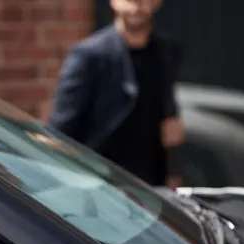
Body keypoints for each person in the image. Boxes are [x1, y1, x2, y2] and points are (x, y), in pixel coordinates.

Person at [49, 0, 184, 187]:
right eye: (130, 0)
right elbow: (62, 126)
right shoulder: (89, 55)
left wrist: (173, 172)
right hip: (100, 179)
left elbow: (169, 118)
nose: (136, 7)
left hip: (150, 182)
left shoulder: (166, 50)